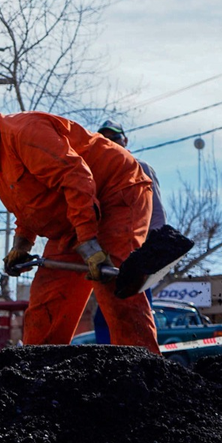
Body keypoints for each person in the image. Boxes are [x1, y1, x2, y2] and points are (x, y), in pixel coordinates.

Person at [0, 93, 160, 355]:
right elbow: (30, 206)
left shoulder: (24, 132)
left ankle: (148, 372)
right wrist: (22, 244)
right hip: (76, 215)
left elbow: (75, 176)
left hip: (116, 192)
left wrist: (88, 241)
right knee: (46, 303)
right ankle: (38, 376)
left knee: (114, 285)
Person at [92, 120, 163, 345]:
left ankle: (144, 364)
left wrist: (151, 253)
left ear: (125, 141)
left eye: (114, 138)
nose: (110, 143)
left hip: (133, 257)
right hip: (106, 257)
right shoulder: (96, 175)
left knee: (136, 312)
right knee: (105, 317)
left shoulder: (140, 167)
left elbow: (157, 215)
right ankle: (110, 368)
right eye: (104, 139)